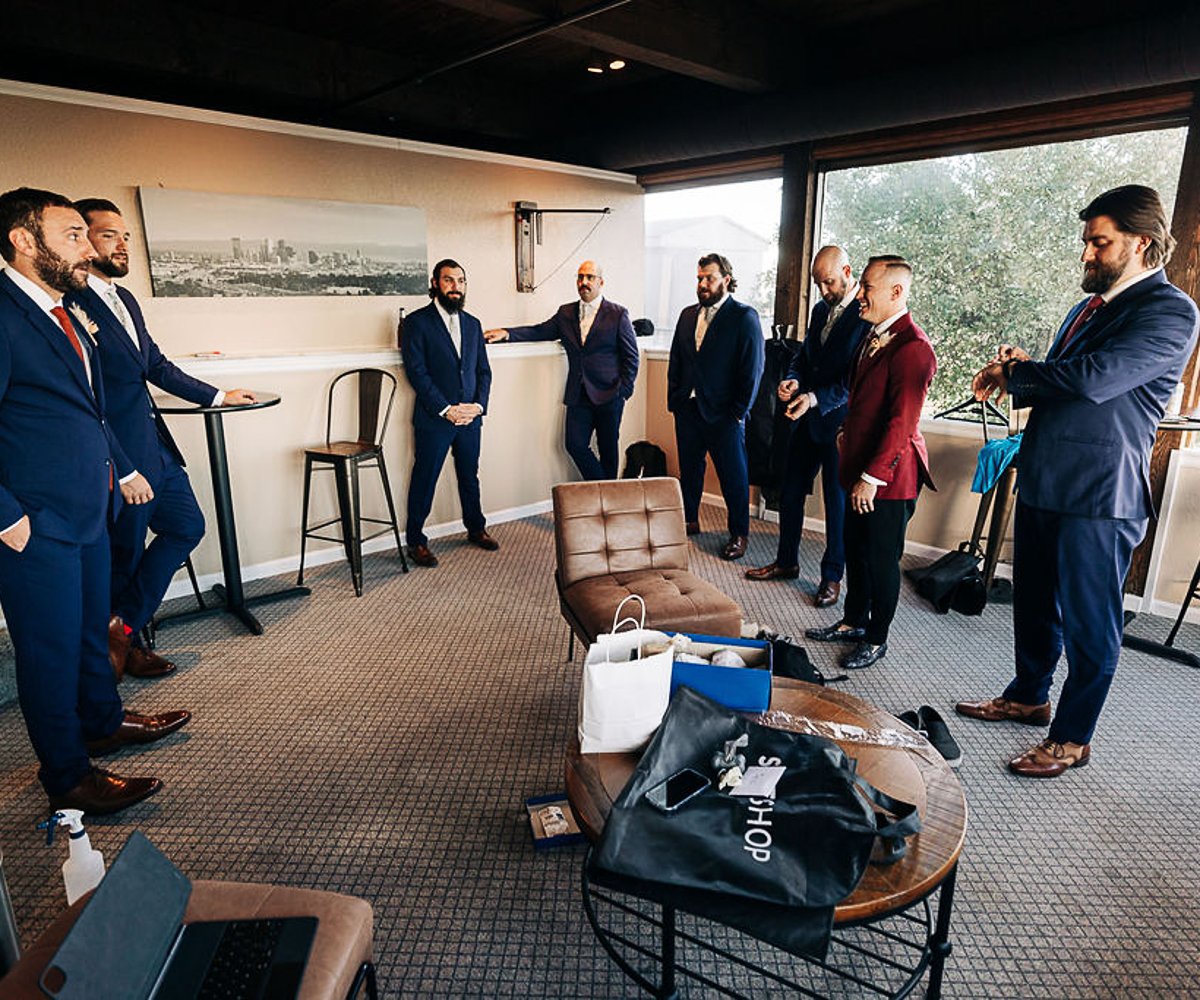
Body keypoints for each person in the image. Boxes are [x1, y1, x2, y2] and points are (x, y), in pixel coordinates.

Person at [959, 184, 1199, 778]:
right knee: (1034, 605)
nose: (1087, 253)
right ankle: (1029, 695)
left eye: (1100, 242)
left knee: (1091, 625)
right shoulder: (1084, 309)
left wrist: (1016, 372)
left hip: (1100, 495)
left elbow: (1094, 379)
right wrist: (1025, 372)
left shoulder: (1171, 311)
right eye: (1087, 241)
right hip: (1045, 479)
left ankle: (1072, 737)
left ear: (1142, 243)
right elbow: (1059, 379)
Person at [0, 187, 189, 815]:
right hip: (35, 522)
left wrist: (119, 469)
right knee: (48, 653)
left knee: (87, 632)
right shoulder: (1, 312)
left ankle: (104, 722)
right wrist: (9, 519)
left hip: (89, 505)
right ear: (24, 242)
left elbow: (90, 406)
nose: (89, 246)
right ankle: (68, 777)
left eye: (88, 233)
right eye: (73, 234)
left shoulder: (65, 309)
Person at [67, 199, 257, 679]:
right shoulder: (70, 302)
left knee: (187, 526)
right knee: (123, 557)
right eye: (110, 234)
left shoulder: (124, 300)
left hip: (156, 446)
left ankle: (122, 627)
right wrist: (120, 464)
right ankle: (113, 657)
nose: (123, 244)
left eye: (126, 236)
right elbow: (82, 398)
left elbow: (154, 364)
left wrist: (216, 393)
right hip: (120, 456)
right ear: (83, 239)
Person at [804, 255, 936, 670]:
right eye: (860, 285)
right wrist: (846, 432)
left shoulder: (914, 348)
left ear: (896, 292)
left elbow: (902, 424)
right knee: (855, 551)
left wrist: (871, 477)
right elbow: (858, 394)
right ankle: (853, 622)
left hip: (889, 478)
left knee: (881, 561)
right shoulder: (870, 335)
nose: (859, 295)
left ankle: (876, 638)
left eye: (867, 288)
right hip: (858, 463)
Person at [746, 246, 871, 605]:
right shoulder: (820, 310)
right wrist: (792, 380)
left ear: (847, 272)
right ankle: (786, 562)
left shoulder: (865, 316)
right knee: (790, 492)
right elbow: (804, 357)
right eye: (818, 283)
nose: (823, 291)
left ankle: (832, 577)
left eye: (828, 282)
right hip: (805, 419)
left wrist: (814, 398)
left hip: (839, 425)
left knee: (836, 504)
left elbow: (853, 379)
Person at [484, 260, 638, 480]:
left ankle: (607, 505)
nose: (583, 282)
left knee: (608, 451)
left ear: (601, 282)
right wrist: (507, 333)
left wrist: (624, 391)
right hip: (578, 395)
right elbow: (539, 331)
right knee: (574, 445)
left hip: (610, 395)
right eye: (580, 277)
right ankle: (604, 491)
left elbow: (631, 357)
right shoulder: (566, 313)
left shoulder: (618, 314)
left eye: (590, 277)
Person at [667, 252, 765, 560]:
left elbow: (753, 370)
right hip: (689, 409)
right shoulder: (686, 315)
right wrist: (675, 401)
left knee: (733, 477)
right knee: (690, 470)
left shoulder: (744, 316)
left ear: (726, 279)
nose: (703, 284)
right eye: (699, 278)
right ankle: (690, 519)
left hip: (726, 415)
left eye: (709, 278)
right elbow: (677, 361)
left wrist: (738, 412)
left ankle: (739, 534)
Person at [401, 258, 495, 568]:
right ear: (435, 284)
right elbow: (417, 372)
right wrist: (445, 409)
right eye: (448, 280)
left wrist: (478, 407)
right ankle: (416, 540)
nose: (455, 286)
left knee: (470, 475)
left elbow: (483, 371)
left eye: (460, 281)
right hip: (435, 418)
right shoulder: (416, 322)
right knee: (425, 477)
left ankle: (476, 527)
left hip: (470, 418)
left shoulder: (473, 324)